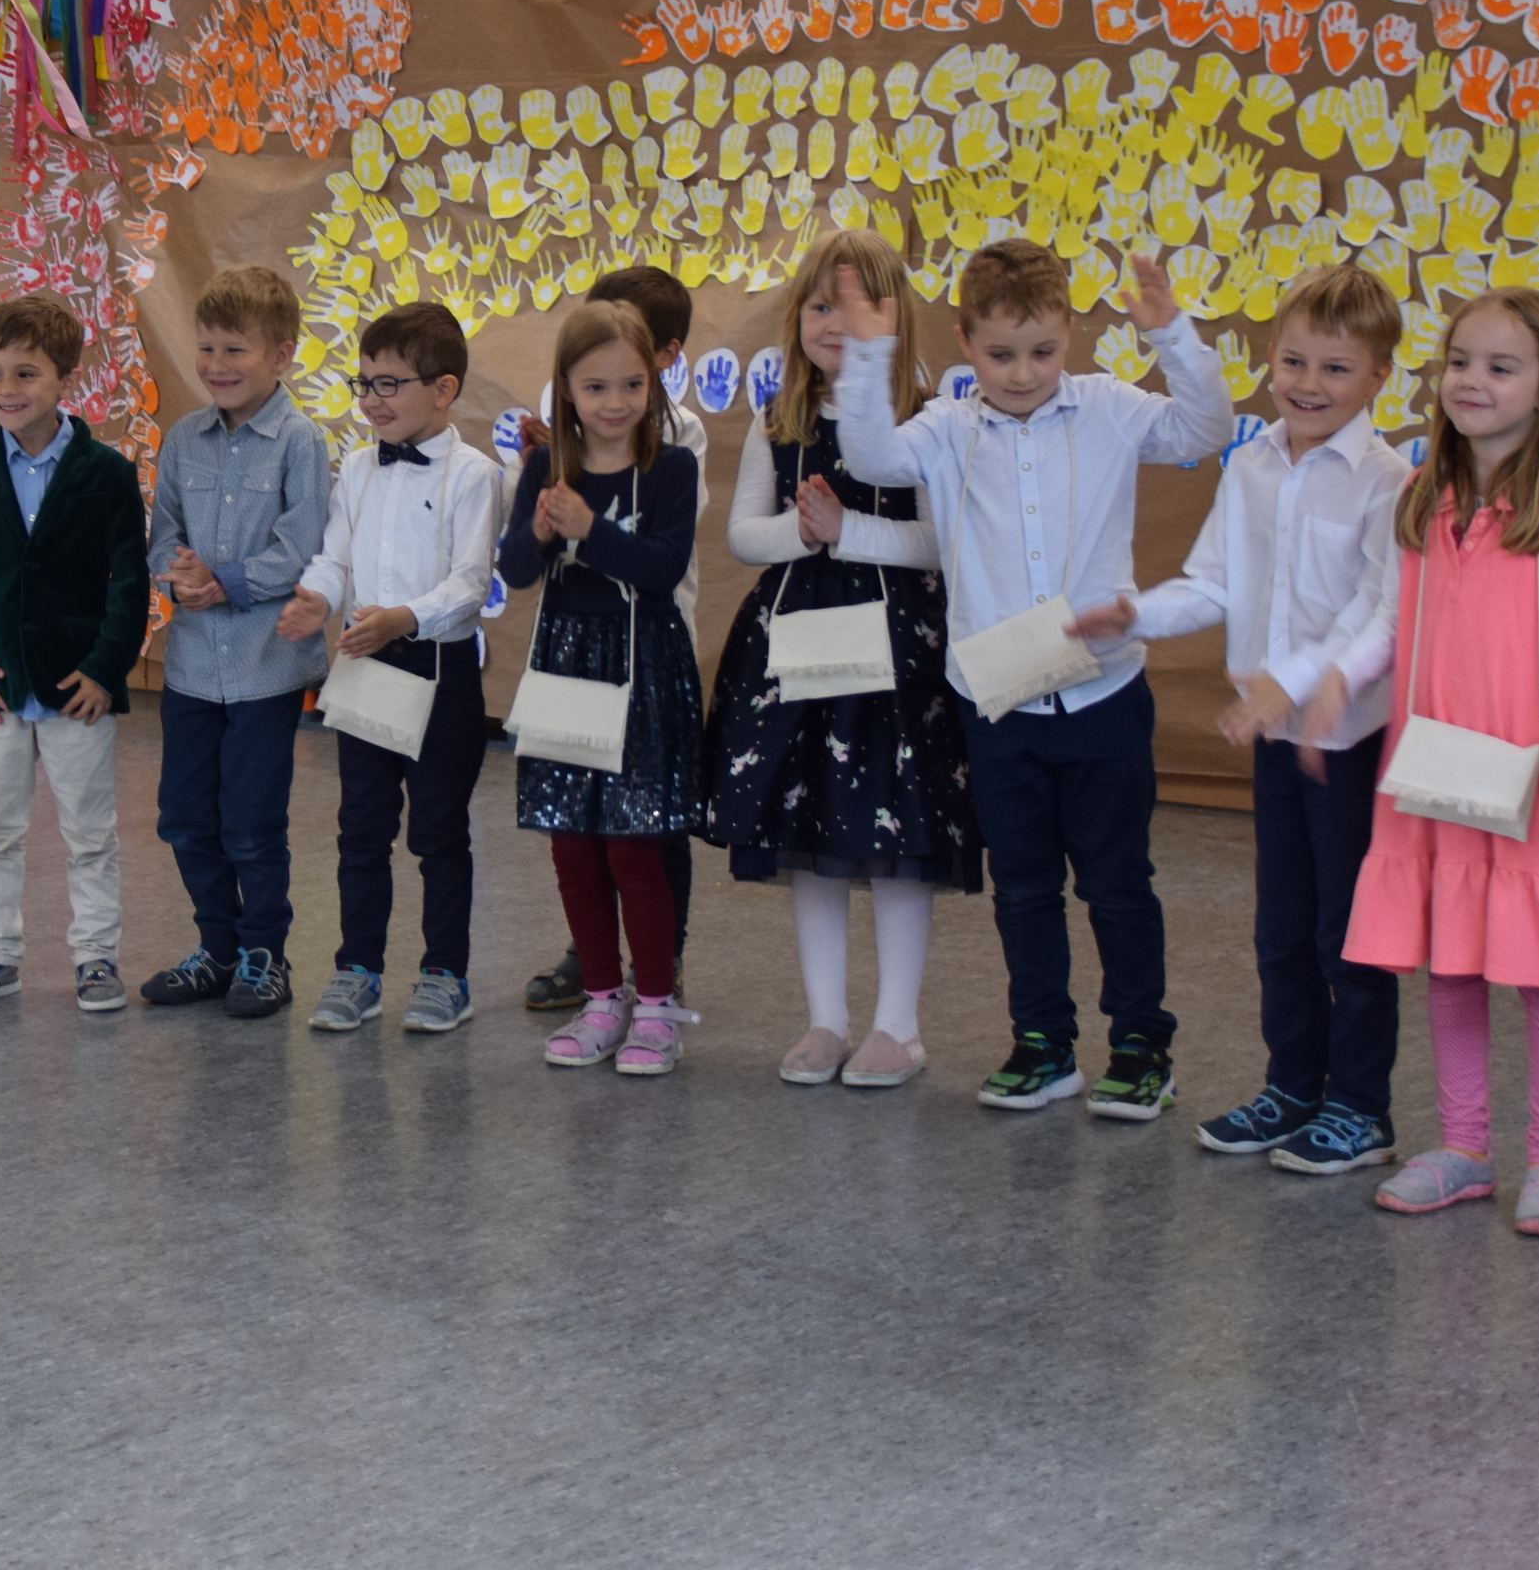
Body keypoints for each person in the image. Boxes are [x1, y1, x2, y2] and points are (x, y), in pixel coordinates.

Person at [830, 236, 1230, 1118]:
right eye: (1000, 354)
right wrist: (867, 355)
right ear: (966, 342)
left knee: (1117, 883)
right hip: (999, 705)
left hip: (1103, 695)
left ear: (1070, 335)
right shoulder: (946, 429)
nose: (1022, 373)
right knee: (1022, 885)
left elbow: (1204, 430)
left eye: (1043, 352)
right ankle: (1043, 1043)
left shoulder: (1110, 408)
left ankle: (1142, 1046)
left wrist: (1172, 335)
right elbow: (870, 460)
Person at [1304, 285, 1539, 1238]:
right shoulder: (1423, 496)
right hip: (1439, 764)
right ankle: (1464, 1148)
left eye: (1501, 367)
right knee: (1452, 963)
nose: (1472, 380)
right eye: (1461, 361)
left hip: (1538, 774)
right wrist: (1340, 679)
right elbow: (1392, 622)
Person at [1071, 263, 1411, 1174]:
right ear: (1270, 358)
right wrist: (1135, 613)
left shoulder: (1387, 483)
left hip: (1348, 742)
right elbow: (1214, 582)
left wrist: (1289, 683)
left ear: (1379, 377)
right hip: (1275, 741)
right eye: (1294, 362)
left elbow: (1373, 614)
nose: (1309, 384)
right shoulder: (1253, 465)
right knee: (1281, 930)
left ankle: (1360, 1107)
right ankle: (1292, 1086)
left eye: (1336, 369)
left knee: (1350, 934)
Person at [705, 231, 980, 1089]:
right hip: (799, 653)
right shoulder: (778, 420)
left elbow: (939, 543)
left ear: (893, 322)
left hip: (895, 659)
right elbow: (744, 534)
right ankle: (826, 1019)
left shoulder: (925, 420)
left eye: (856, 309)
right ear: (796, 317)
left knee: (895, 837)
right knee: (809, 835)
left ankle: (898, 1027)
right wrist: (804, 532)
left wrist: (847, 531)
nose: (835, 324)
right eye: (821, 306)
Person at [280, 302, 502, 1036]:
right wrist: (317, 597)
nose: (372, 401)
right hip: (365, 662)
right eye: (364, 383)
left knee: (438, 831)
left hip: (439, 669)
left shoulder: (476, 475)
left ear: (443, 390)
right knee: (361, 828)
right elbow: (335, 555)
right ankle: (357, 969)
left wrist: (406, 617)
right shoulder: (356, 467)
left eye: (389, 385)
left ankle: (445, 975)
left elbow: (471, 583)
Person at [501, 299, 708, 1075]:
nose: (615, 403)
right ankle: (599, 999)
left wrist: (591, 529)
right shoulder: (544, 468)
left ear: (654, 383)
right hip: (564, 665)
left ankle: (654, 1006)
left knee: (633, 845)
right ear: (566, 389)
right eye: (595, 388)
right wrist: (541, 530)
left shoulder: (672, 468)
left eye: (631, 385)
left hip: (642, 668)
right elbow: (514, 570)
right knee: (573, 845)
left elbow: (662, 568)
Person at [0, 294, 149, 1014]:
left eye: (26, 374)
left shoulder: (108, 474)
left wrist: (105, 668)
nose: (7, 390)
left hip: (77, 687)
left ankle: (96, 958)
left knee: (89, 832)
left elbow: (129, 586)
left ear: (65, 379)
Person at [140, 266, 333, 1019]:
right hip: (191, 668)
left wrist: (226, 582)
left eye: (235, 350)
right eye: (207, 348)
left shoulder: (300, 442)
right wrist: (178, 571)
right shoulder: (183, 440)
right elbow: (163, 535)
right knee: (186, 817)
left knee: (251, 823)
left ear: (281, 355)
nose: (217, 365)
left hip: (265, 668)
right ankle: (217, 949)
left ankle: (264, 954)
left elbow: (302, 546)